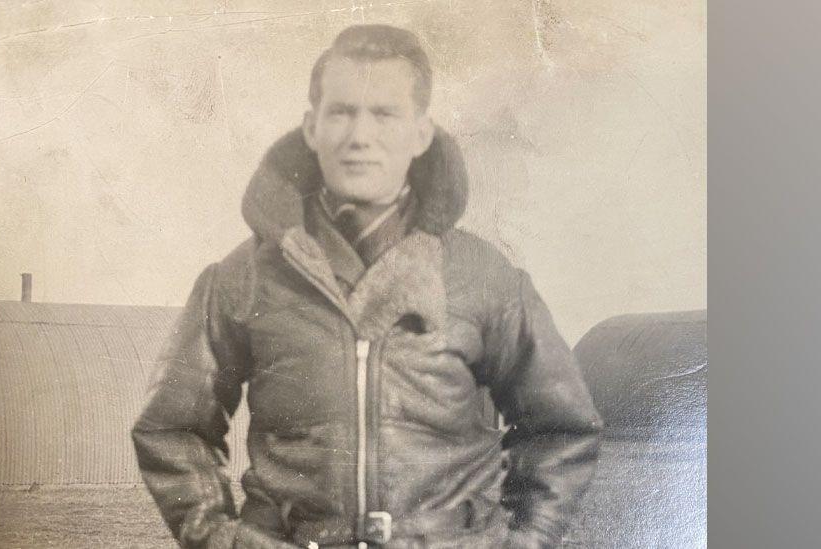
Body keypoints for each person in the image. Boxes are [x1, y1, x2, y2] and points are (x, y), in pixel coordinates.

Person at [132, 24, 602, 549]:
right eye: (341, 112)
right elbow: (172, 427)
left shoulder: (485, 277)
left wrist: (524, 541)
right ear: (312, 127)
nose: (360, 136)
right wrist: (221, 539)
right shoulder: (243, 277)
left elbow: (562, 427)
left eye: (384, 114)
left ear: (421, 133)